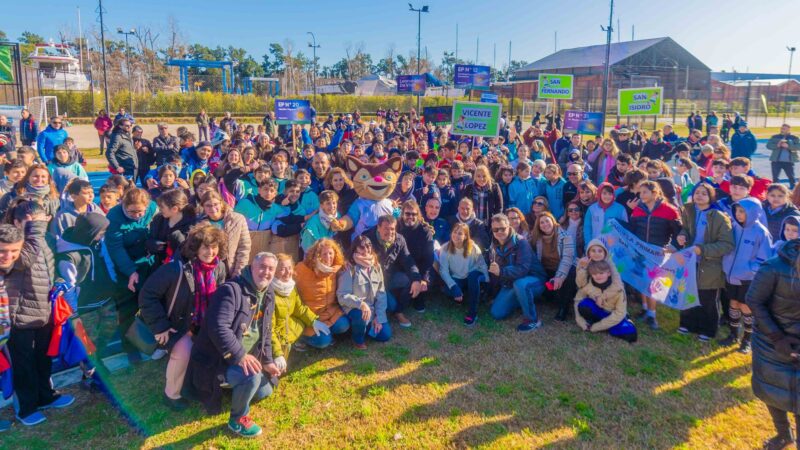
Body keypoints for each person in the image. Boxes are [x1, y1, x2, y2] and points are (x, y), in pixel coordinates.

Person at [186, 252, 281, 438]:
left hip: (242, 355)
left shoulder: (268, 291)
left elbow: (266, 330)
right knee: (252, 377)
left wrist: (268, 360)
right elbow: (218, 327)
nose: (266, 272)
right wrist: (240, 356)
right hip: (218, 360)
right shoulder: (231, 290)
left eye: (271, 269)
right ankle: (237, 419)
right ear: (252, 267)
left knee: (265, 392)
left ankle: (234, 386)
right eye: (262, 267)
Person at [138, 223, 227, 410]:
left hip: (206, 324)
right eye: (205, 246)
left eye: (214, 247)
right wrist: (160, 325)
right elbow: (147, 295)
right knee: (183, 353)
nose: (210, 252)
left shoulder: (219, 268)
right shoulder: (175, 269)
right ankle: (171, 394)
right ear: (195, 247)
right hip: (178, 325)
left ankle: (203, 386)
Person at [2, 213, 76, 428]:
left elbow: (48, 270)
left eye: (13, 251)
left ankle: (46, 396)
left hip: (43, 312)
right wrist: (34, 228)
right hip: (17, 320)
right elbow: (22, 261)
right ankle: (26, 407)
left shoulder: (42, 243)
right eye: (3, 251)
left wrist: (59, 282)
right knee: (22, 365)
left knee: (43, 358)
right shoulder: (25, 251)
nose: (8, 256)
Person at [746, 239, 800, 450]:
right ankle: (783, 434)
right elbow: (754, 300)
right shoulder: (774, 267)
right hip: (771, 344)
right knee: (773, 390)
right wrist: (778, 338)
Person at [675, 183, 734, 341]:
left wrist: (703, 250)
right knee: (688, 293)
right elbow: (686, 229)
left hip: (710, 264)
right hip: (690, 261)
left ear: (711, 197)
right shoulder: (689, 210)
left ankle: (708, 330)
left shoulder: (720, 217)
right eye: (697, 193)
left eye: (704, 193)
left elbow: (727, 245)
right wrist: (682, 235)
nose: (699, 196)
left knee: (707, 298)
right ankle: (688, 324)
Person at [105, 188, 157, 363]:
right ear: (123, 206)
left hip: (147, 261)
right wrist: (130, 272)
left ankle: (152, 339)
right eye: (131, 211)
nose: (136, 215)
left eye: (139, 212)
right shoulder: (114, 217)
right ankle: (130, 347)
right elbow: (116, 248)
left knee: (151, 303)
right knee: (128, 308)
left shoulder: (152, 208)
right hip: (125, 265)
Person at [626, 181, 682, 330]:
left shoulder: (670, 210)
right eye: (640, 192)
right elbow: (632, 229)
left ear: (655, 193)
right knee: (641, 280)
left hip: (658, 253)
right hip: (639, 251)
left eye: (644, 192)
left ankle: (652, 315)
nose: (641, 195)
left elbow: (679, 232)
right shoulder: (638, 210)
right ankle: (645, 308)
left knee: (652, 284)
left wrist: (674, 246)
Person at [720, 198, 774, 353]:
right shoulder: (733, 227)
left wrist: (748, 269)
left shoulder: (761, 232)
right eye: (737, 211)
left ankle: (747, 340)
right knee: (733, 304)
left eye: (743, 211)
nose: (739, 214)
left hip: (747, 278)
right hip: (730, 276)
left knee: (746, 306)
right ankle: (733, 334)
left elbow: (765, 258)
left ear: (754, 213)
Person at [487, 213, 548, 331]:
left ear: (509, 227)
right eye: (495, 229)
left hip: (534, 279)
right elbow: (496, 272)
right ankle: (522, 299)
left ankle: (532, 320)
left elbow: (523, 269)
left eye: (502, 228)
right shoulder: (494, 245)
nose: (499, 232)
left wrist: (501, 271)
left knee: (520, 284)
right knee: (496, 313)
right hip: (512, 281)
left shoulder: (521, 242)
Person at [270, 254, 329, 370]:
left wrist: (313, 321)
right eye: (282, 269)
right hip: (277, 336)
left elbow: (300, 309)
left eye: (289, 268)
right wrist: (277, 353)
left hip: (291, 330)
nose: (287, 272)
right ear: (275, 272)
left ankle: (299, 341)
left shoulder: (290, 286)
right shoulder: (270, 293)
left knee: (323, 338)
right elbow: (269, 329)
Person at [336, 236, 392, 348]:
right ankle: (358, 340)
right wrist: (360, 304)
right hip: (354, 308)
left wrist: (379, 317)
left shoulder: (376, 265)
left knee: (385, 335)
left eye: (368, 246)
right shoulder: (349, 268)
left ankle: (364, 327)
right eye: (361, 247)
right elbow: (342, 296)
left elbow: (381, 293)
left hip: (371, 308)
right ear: (355, 249)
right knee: (361, 316)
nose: (366, 250)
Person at [294, 238, 350, 349]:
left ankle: (327, 332)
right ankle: (300, 337)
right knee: (324, 341)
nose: (328, 257)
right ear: (316, 255)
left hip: (330, 312)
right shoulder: (302, 269)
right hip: (310, 316)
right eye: (324, 254)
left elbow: (344, 264)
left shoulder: (335, 269)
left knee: (344, 325)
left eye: (331, 253)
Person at [574, 260, 637, 342]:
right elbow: (577, 301)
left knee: (631, 334)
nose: (598, 276)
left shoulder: (618, 289)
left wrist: (596, 327)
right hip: (598, 312)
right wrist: (581, 321)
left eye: (601, 273)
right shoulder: (587, 286)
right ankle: (596, 322)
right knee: (584, 305)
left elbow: (619, 313)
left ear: (609, 273)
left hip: (612, 315)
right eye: (594, 274)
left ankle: (607, 325)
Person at [439, 223, 489, 326]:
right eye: (455, 232)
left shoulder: (473, 247)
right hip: (458, 277)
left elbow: (482, 265)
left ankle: (472, 312)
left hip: (473, 275)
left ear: (465, 236)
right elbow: (443, 271)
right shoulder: (445, 248)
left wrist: (487, 281)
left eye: (460, 233)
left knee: (473, 276)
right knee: (447, 290)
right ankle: (471, 296)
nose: (456, 236)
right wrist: (453, 287)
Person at [530, 212, 576, 321]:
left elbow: (567, 258)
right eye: (541, 222)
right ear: (538, 226)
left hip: (563, 267)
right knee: (550, 297)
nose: (545, 224)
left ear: (553, 221)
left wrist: (559, 277)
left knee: (571, 274)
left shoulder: (566, 236)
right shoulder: (537, 238)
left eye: (547, 221)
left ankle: (563, 308)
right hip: (546, 269)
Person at [199, 190, 251, 278]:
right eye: (208, 205)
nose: (212, 208)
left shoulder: (237, 219)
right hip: (209, 271)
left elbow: (244, 248)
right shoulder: (200, 224)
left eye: (215, 204)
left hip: (231, 268)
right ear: (203, 207)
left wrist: (238, 273)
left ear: (221, 203)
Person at [767, 124, 800, 189]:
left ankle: (793, 191)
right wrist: (777, 145)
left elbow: (798, 147)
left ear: (789, 129)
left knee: (791, 177)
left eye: (784, 129)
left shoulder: (795, 138)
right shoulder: (775, 137)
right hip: (776, 161)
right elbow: (768, 146)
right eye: (782, 128)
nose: (782, 130)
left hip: (789, 162)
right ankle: (775, 190)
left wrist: (789, 146)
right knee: (775, 178)